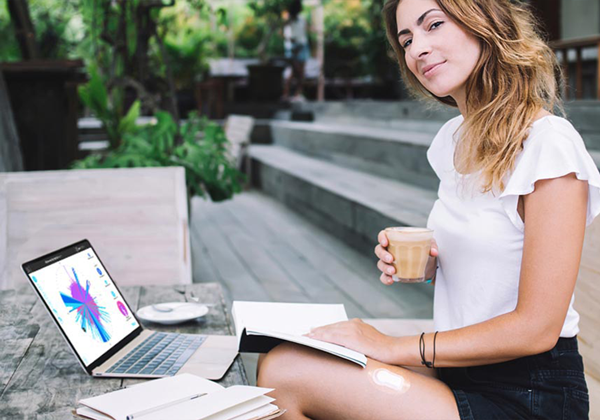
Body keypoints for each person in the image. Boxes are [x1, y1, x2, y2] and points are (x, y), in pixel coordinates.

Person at [256, 0, 600, 419]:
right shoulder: (453, 139)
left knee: (286, 373)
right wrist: (428, 264)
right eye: (406, 40)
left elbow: (537, 328)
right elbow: (494, 260)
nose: (417, 48)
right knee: (290, 355)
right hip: (457, 370)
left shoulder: (548, 145)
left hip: (528, 393)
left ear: (485, 21)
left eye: (433, 25)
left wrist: (390, 345)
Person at [282, 0, 309, 102]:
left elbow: (305, 31)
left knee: (301, 73)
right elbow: (284, 34)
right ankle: (286, 93)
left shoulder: (302, 20)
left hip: (302, 46)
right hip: (294, 47)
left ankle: (297, 94)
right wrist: (291, 40)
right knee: (294, 71)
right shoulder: (289, 20)